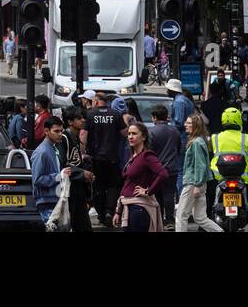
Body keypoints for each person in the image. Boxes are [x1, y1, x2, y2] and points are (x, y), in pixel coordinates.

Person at [209, 107, 248, 231]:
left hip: (219, 176)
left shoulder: (214, 138)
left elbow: (210, 156)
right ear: (238, 120)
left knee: (209, 198)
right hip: (244, 177)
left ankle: (205, 225)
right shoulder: (246, 138)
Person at [115, 122, 168, 231]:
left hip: (139, 208)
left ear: (143, 137)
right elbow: (127, 183)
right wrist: (118, 211)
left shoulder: (147, 155)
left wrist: (148, 191)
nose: (130, 136)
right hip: (128, 206)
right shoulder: (132, 157)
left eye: (134, 134)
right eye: (129, 134)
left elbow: (163, 173)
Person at [176, 111, 222, 232]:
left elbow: (200, 166)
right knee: (200, 218)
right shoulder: (198, 141)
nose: (185, 124)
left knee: (181, 215)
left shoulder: (196, 143)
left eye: (189, 123)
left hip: (193, 183)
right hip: (198, 183)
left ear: (195, 126)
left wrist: (197, 185)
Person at [86, 91, 127, 225]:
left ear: (97, 101)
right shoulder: (115, 114)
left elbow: (83, 135)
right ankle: (110, 211)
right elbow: (125, 133)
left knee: (98, 186)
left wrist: (82, 152)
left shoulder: (90, 114)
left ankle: (101, 213)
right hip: (112, 157)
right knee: (113, 185)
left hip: (95, 157)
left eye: (92, 101)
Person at [59, 107, 95, 232]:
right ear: (70, 122)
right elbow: (62, 165)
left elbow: (75, 161)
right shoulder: (64, 138)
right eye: (78, 118)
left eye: (82, 117)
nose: (83, 120)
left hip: (77, 188)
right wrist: (82, 173)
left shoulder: (75, 138)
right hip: (68, 190)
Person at [31, 115, 69, 223]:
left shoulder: (53, 148)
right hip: (46, 202)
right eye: (56, 131)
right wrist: (59, 176)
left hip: (55, 199)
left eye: (61, 131)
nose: (60, 134)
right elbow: (37, 179)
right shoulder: (42, 152)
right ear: (47, 131)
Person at [149, 104, 183, 225]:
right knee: (169, 194)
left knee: (158, 195)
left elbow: (149, 151)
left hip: (156, 170)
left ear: (154, 117)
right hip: (172, 168)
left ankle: (159, 219)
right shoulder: (175, 131)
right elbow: (178, 148)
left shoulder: (151, 132)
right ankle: (169, 219)